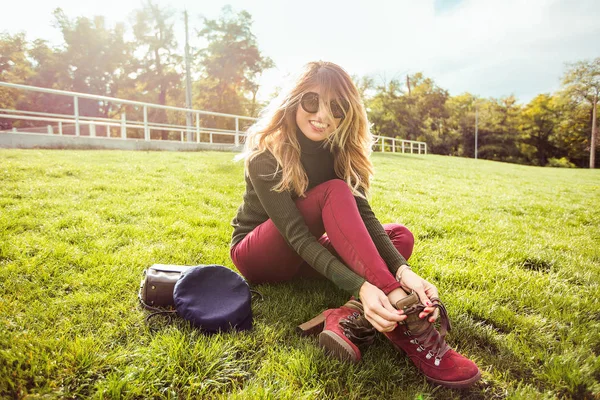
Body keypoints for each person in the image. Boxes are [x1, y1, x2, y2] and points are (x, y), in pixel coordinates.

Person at [230, 61, 480, 388]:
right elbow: (298, 238)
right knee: (334, 191)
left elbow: (367, 219)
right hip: (260, 256)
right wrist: (368, 285)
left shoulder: (340, 153)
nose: (323, 115)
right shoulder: (266, 155)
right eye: (311, 101)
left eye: (337, 106)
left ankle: (347, 314)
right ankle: (404, 322)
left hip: (304, 257)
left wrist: (404, 271)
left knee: (398, 237)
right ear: (293, 100)